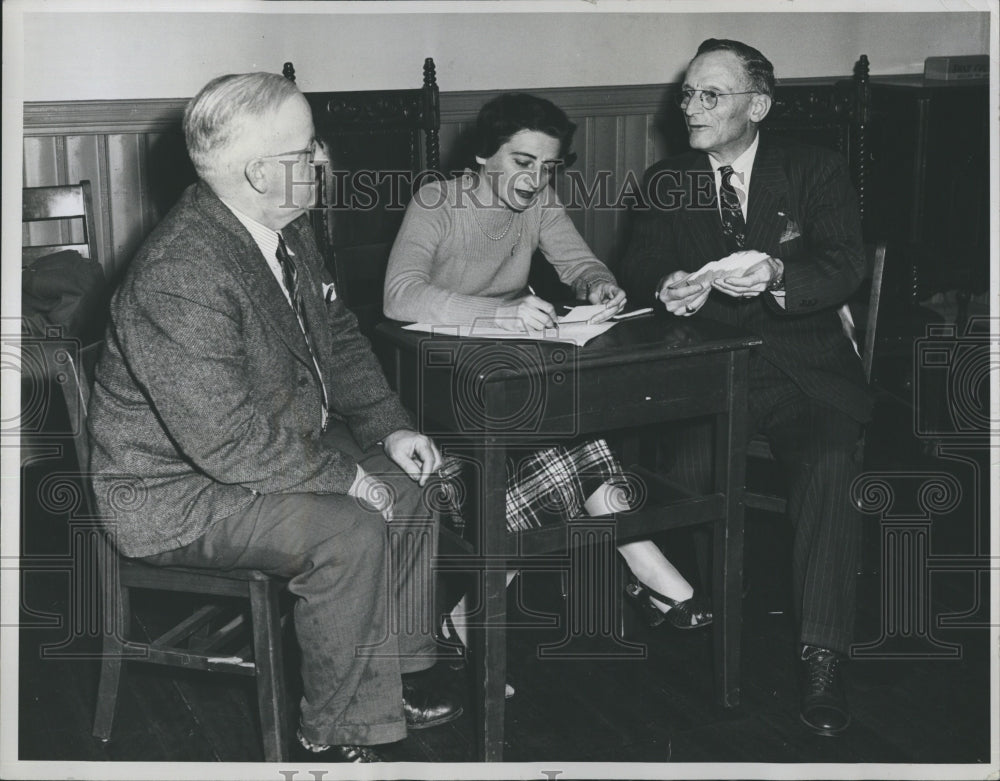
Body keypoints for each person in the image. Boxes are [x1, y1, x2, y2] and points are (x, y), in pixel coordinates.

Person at [87, 72, 461, 764]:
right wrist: (346, 476)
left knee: (411, 481)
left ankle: (392, 674)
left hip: (269, 445)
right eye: (305, 148)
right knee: (348, 527)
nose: (322, 157)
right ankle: (330, 732)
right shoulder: (181, 271)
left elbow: (337, 333)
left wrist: (389, 426)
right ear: (259, 173)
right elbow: (226, 443)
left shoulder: (279, 226)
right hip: (179, 491)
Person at [384, 92, 712, 652]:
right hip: (430, 387)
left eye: (548, 166)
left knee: (569, 434)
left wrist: (595, 285)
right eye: (522, 161)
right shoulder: (437, 201)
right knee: (568, 445)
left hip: (508, 379)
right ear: (485, 155)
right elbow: (399, 295)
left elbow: (580, 262)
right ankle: (644, 561)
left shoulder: (538, 202)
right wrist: (496, 312)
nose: (536, 179)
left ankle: (470, 615)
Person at [619, 39, 872, 737]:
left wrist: (781, 278)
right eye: (688, 95)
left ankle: (823, 652)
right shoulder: (666, 180)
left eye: (711, 95)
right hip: (706, 370)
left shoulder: (813, 169)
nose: (691, 108)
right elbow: (640, 268)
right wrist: (663, 286)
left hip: (803, 368)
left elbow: (845, 263)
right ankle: (699, 607)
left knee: (829, 462)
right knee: (678, 475)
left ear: (756, 105)